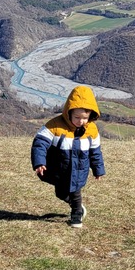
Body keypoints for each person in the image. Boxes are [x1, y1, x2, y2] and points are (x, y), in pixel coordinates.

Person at [31, 85, 105, 227]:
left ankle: (77, 216)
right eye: (77, 117)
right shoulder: (55, 125)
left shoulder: (92, 130)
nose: (81, 121)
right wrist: (39, 162)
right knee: (60, 193)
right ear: (68, 112)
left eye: (85, 118)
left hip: (79, 170)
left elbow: (95, 151)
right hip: (59, 168)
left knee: (75, 193)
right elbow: (40, 143)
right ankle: (75, 206)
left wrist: (98, 169)